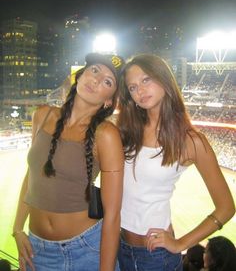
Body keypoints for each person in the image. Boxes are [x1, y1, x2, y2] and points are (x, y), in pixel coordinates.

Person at [117, 53, 235, 270]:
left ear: (164, 79)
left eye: (146, 80)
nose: (139, 91)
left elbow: (226, 207)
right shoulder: (126, 130)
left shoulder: (191, 141)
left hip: (155, 257)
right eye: (132, 87)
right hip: (117, 245)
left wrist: (181, 243)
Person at [12, 53, 125, 271]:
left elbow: (112, 214)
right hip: (36, 251)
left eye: (108, 81)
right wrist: (18, 229)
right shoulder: (42, 115)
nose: (96, 79)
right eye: (94, 70)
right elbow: (32, 177)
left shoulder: (107, 135)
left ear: (109, 100)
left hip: (86, 252)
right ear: (80, 76)